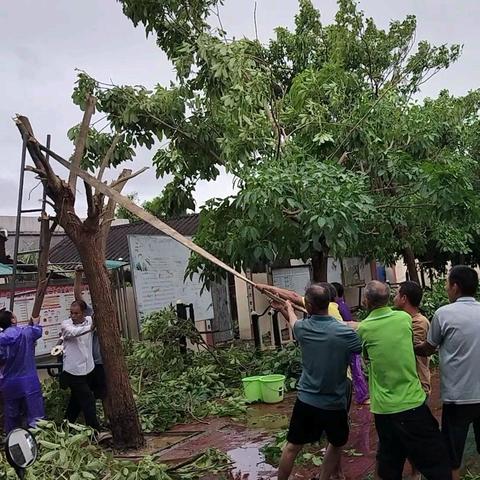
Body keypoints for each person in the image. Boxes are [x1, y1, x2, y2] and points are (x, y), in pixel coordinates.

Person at [351, 281, 451, 480]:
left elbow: (366, 356)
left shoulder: (364, 329)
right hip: (412, 402)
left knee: (389, 465)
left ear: (366, 301)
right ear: (389, 299)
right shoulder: (404, 318)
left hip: (384, 409)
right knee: (436, 462)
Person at [272, 283, 362, 480]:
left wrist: (287, 308)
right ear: (330, 304)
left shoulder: (303, 329)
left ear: (309, 307)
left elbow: (294, 322)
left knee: (292, 447)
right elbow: (360, 344)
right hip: (334, 402)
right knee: (336, 443)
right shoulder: (345, 334)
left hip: (307, 400)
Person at [415, 266, 480, 480]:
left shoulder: (444, 314)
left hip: (457, 398)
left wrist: (409, 345)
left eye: (447, 284)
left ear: (456, 286)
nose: (446, 288)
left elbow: (429, 348)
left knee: (452, 455)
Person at [394, 281, 431, 480]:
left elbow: (410, 347)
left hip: (417, 384)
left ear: (404, 298)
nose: (393, 297)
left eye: (396, 293)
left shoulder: (418, 322)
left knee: (414, 436)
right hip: (406, 384)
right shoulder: (402, 319)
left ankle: (417, 474)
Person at [0, 309, 44, 433]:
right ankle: (37, 440)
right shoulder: (26, 332)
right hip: (29, 381)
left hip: (8, 382)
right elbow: (38, 332)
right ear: (13, 320)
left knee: (11, 415)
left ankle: (12, 441)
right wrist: (36, 323)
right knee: (35, 415)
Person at [60, 300, 100, 430]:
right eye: (71, 313)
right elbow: (73, 332)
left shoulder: (89, 320)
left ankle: (65, 426)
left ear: (83, 313)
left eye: (76, 313)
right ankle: (94, 431)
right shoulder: (66, 325)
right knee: (88, 400)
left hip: (88, 369)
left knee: (76, 402)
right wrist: (91, 328)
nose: (73, 316)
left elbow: (94, 316)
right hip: (73, 372)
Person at [74, 267, 107, 417]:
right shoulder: (91, 314)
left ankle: (105, 417)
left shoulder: (108, 315)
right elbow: (77, 297)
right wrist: (78, 276)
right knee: (86, 394)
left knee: (103, 392)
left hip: (100, 362)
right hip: (90, 362)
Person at [332, 282, 369, 405]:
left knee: (356, 370)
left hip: (348, 343)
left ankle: (362, 396)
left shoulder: (338, 307)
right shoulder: (341, 305)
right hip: (348, 341)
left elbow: (347, 324)